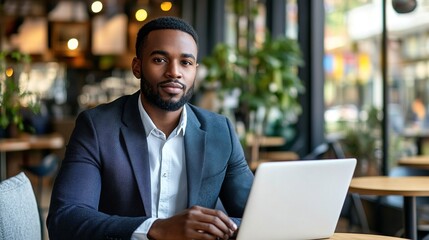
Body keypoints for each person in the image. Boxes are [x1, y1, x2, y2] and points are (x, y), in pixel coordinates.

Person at [47, 16, 254, 240]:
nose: (174, 72)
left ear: (195, 70)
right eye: (159, 60)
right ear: (137, 67)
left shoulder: (219, 131)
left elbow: (257, 214)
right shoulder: (97, 127)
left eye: (185, 62)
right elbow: (65, 219)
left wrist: (213, 226)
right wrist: (156, 228)